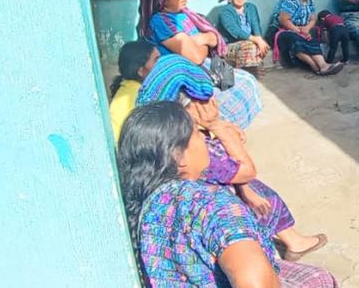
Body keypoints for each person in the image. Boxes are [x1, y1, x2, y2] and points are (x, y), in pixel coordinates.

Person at [117, 102, 336, 287]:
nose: (205, 139)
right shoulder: (213, 206)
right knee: (321, 279)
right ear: (179, 157)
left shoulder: (147, 202)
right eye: (197, 133)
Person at [135, 55, 330, 260]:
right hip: (209, 212)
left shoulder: (159, 132)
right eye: (203, 100)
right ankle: (291, 243)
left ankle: (287, 238)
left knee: (249, 187)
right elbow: (245, 170)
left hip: (200, 197)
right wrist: (217, 126)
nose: (211, 101)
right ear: (190, 109)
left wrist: (221, 128)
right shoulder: (190, 149)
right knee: (262, 196)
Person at [136, 0, 262, 129]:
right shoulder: (160, 21)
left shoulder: (185, 14)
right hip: (185, 78)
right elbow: (196, 57)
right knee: (224, 103)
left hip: (203, 68)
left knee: (248, 81)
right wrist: (205, 40)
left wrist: (202, 40)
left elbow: (214, 38)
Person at [267, 0, 343, 76]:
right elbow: (283, 20)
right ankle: (314, 66)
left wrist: (307, 28)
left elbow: (313, 18)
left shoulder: (309, 0)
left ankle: (323, 65)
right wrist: (298, 31)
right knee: (296, 39)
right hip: (281, 30)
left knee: (311, 38)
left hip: (300, 30)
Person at [108, 41, 160, 143]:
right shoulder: (141, 95)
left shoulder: (128, 88)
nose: (161, 64)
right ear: (141, 71)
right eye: (156, 60)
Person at [217, 0, 270, 72]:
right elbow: (236, 32)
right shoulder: (225, 12)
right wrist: (256, 40)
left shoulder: (251, 7)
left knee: (262, 45)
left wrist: (260, 40)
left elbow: (256, 26)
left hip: (249, 41)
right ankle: (247, 73)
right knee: (249, 46)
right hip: (230, 45)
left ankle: (254, 70)